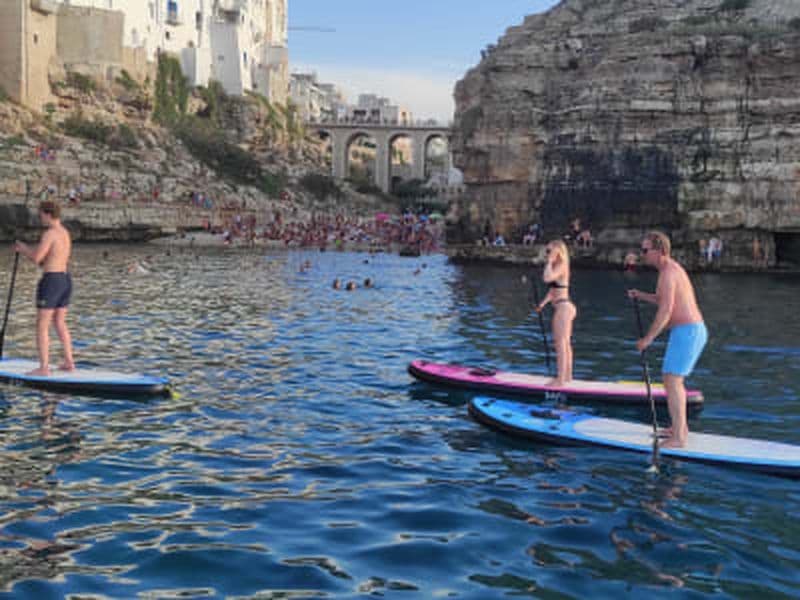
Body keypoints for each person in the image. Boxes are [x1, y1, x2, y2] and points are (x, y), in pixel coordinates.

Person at [627, 231, 707, 449]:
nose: (643, 255)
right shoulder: (667, 271)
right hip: (685, 331)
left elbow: (665, 311)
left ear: (659, 250)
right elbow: (662, 300)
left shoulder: (669, 273)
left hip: (688, 332)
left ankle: (679, 437)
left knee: (673, 381)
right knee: (671, 379)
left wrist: (648, 339)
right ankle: (678, 428)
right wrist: (641, 295)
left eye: (645, 250)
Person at [13, 200, 75, 376]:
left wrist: (23, 249)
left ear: (48, 214)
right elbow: (52, 259)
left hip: (52, 281)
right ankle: (69, 362)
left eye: (40, 214)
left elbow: (37, 257)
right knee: (60, 322)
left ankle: (44, 367)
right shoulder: (65, 233)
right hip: (65, 279)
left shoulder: (50, 234)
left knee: (42, 325)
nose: (40, 218)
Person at [534, 240, 576, 387]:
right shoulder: (558, 266)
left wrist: (549, 262)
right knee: (565, 343)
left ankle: (560, 379)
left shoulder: (561, 265)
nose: (548, 254)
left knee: (561, 344)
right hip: (563, 306)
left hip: (563, 308)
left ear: (559, 252)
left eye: (550, 251)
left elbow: (546, 278)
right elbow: (553, 291)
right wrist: (542, 304)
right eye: (547, 251)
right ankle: (567, 377)